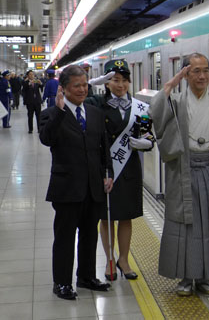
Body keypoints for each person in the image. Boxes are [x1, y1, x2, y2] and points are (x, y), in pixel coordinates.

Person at [148, 52, 209, 296]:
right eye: (195, 71)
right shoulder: (176, 102)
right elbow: (153, 114)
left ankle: (205, 278)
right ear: (186, 74)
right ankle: (186, 278)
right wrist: (170, 84)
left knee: (208, 225)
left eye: (205, 70)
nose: (201, 76)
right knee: (184, 224)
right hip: (183, 171)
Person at [39, 65, 113, 300]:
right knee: (65, 236)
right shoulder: (51, 114)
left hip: (93, 186)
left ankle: (87, 276)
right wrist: (60, 111)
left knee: (90, 234)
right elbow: (47, 139)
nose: (83, 90)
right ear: (64, 88)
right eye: (77, 86)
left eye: (85, 85)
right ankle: (61, 282)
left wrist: (108, 172)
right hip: (67, 187)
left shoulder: (94, 113)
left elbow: (103, 147)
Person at [86, 60, 155, 281]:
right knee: (106, 217)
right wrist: (90, 84)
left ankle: (123, 260)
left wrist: (148, 143)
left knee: (126, 217)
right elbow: (76, 101)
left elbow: (147, 134)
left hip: (129, 168)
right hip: (106, 168)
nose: (121, 85)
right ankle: (109, 259)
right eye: (115, 80)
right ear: (106, 82)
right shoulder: (97, 103)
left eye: (124, 80)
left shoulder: (140, 107)